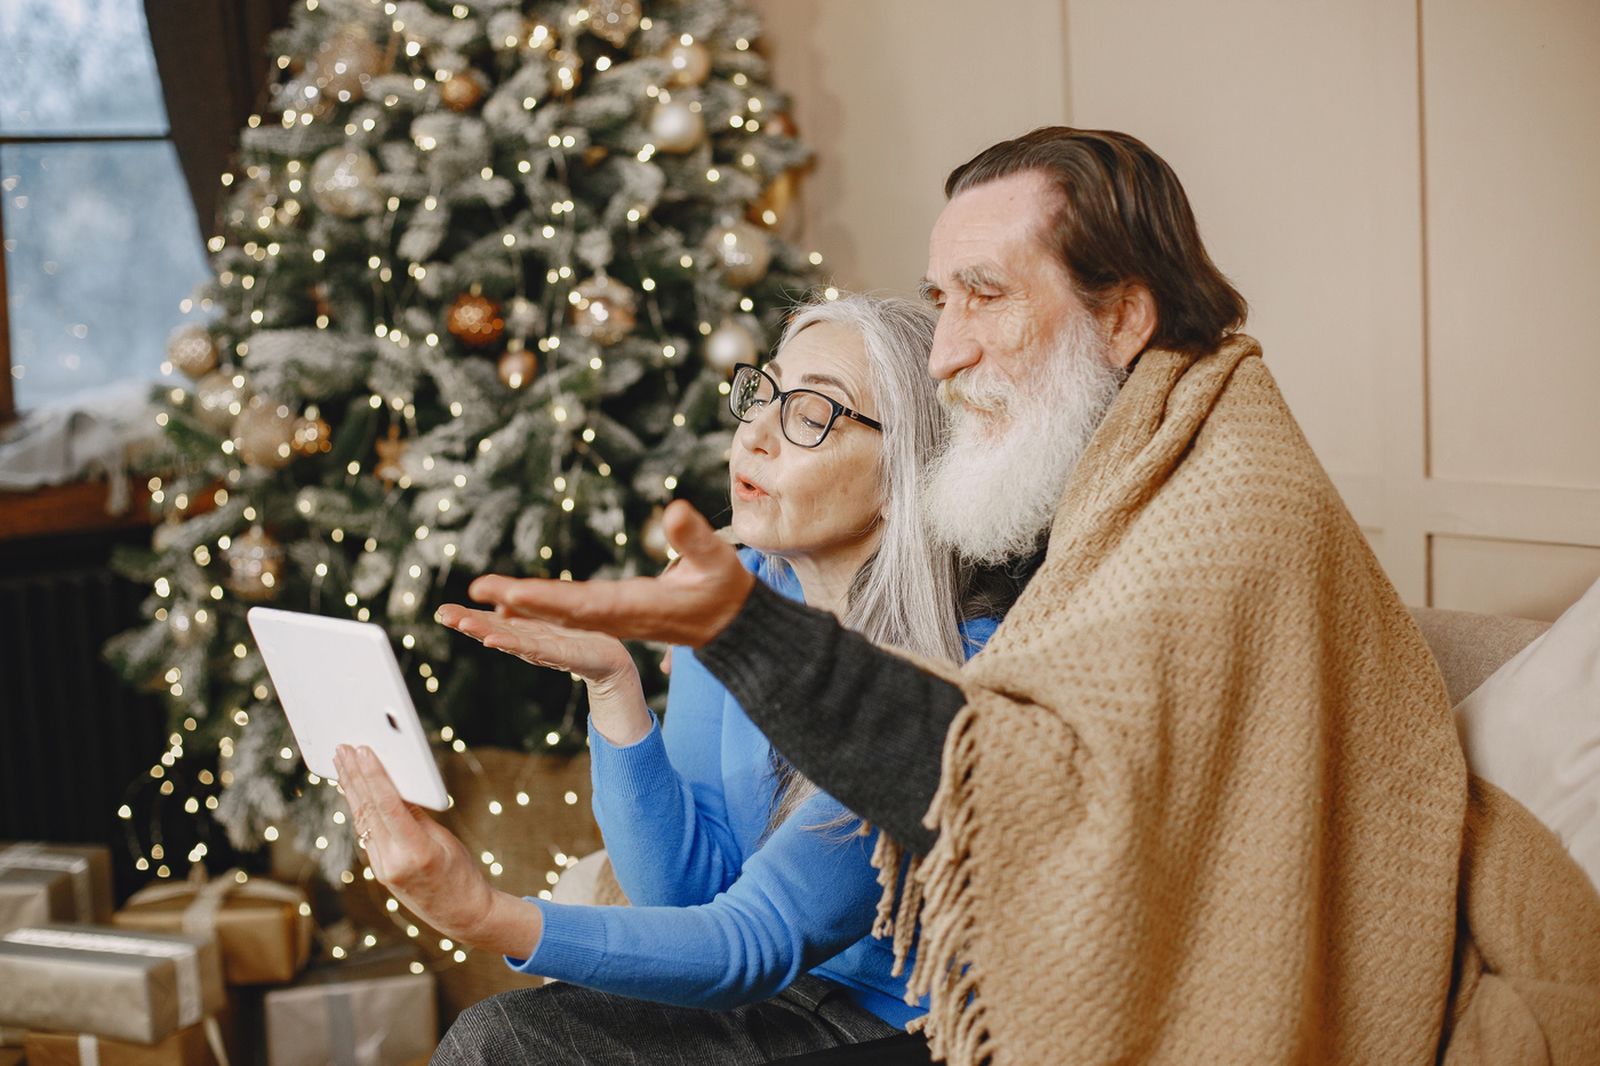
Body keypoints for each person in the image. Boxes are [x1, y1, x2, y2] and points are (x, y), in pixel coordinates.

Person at [468, 127, 1600, 1065]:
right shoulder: (1104, 469)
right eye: (936, 301)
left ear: (1123, 314)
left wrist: (740, 635)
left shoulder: (1225, 499)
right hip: (867, 982)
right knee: (502, 1038)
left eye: (987, 297)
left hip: (1115, 982)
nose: (946, 353)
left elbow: (1019, 781)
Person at [335, 293, 999, 1064]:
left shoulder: (956, 675)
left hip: (908, 1029)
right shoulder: (739, 597)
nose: (753, 434)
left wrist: (489, 916)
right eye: (766, 392)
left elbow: (754, 938)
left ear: (905, 472)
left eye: (813, 412)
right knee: (501, 1042)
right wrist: (614, 686)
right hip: (776, 1000)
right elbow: (684, 898)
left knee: (502, 1044)